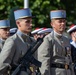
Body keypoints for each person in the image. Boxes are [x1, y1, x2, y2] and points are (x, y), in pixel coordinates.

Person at [38, 10, 75, 75]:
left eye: (64, 21)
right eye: (60, 22)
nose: (63, 24)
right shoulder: (48, 39)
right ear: (52, 24)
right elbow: (44, 61)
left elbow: (70, 61)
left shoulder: (66, 40)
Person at [0, 8, 36, 75]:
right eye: (27, 22)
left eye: (31, 22)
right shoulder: (12, 41)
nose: (31, 25)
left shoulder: (32, 41)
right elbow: (2, 65)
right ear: (18, 23)